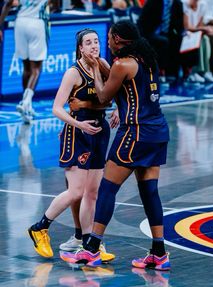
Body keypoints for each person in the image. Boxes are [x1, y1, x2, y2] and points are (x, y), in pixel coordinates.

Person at [60, 20, 171, 271]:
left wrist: (97, 69)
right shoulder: (146, 60)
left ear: (119, 40)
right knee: (149, 192)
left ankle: (91, 249)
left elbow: (103, 96)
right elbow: (133, 94)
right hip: (158, 131)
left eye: (109, 37)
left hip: (135, 133)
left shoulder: (121, 64)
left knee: (107, 188)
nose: (106, 41)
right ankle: (159, 253)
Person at [27, 28, 118, 263]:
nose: (94, 46)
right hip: (78, 131)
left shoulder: (103, 65)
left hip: (99, 131)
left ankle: (88, 244)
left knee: (92, 193)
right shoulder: (73, 72)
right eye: (88, 43)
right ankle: (40, 227)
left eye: (96, 41)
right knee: (76, 191)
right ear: (80, 48)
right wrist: (79, 126)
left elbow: (118, 90)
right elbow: (56, 108)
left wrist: (119, 107)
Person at [0, 0, 51, 124]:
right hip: (37, 22)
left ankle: (27, 105)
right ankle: (26, 101)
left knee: (26, 68)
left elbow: (8, 4)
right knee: (36, 69)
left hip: (20, 23)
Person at [137, 0, 184, 82]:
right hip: (151, 32)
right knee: (164, 41)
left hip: (168, 32)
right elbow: (143, 20)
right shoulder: (153, 2)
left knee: (178, 40)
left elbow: (179, 24)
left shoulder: (178, 3)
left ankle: (172, 73)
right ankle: (161, 72)